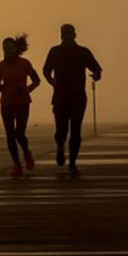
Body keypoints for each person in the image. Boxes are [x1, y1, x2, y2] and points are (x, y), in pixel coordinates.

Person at [42, 23, 102, 174]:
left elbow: (96, 67)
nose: (68, 35)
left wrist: (96, 76)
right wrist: (51, 81)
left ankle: (72, 163)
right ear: (61, 35)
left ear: (75, 35)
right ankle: (60, 147)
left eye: (70, 33)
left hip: (78, 97)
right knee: (61, 130)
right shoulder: (55, 52)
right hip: (60, 96)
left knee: (76, 131)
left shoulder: (82, 52)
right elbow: (46, 69)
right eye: (65, 33)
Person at [0, 34, 41, 175]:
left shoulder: (25, 63)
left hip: (22, 102)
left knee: (19, 133)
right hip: (6, 103)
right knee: (9, 134)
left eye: (9, 48)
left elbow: (36, 80)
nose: (7, 51)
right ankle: (16, 164)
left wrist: (26, 89)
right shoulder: (0, 65)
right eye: (4, 48)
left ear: (15, 49)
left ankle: (26, 153)